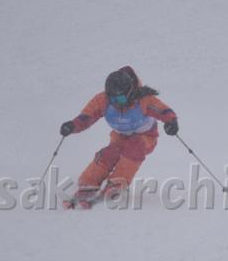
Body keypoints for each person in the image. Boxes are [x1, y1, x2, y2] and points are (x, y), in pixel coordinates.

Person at [59, 66, 179, 209]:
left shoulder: (144, 100)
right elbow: (86, 117)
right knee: (109, 153)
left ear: (130, 92)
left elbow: (164, 111)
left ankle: (116, 186)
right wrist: (72, 126)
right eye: (113, 99)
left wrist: (171, 122)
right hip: (120, 137)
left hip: (145, 138)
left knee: (134, 147)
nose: (117, 103)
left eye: (121, 98)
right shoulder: (102, 100)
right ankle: (88, 185)